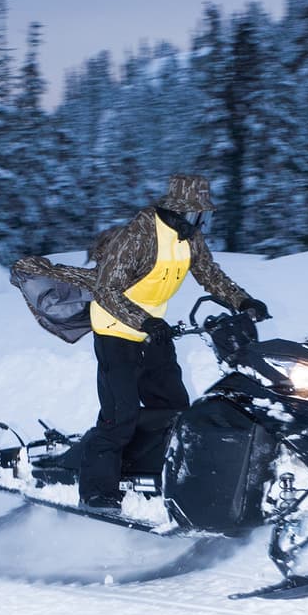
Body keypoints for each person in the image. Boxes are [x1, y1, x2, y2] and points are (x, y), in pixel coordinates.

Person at [77, 173, 268, 510]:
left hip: (153, 332)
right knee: (119, 417)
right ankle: (96, 494)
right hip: (115, 330)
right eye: (197, 215)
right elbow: (105, 291)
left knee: (173, 410)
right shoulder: (138, 237)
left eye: (205, 217)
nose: (201, 224)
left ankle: (150, 472)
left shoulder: (188, 237)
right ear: (178, 210)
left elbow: (210, 274)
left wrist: (243, 301)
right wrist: (145, 321)